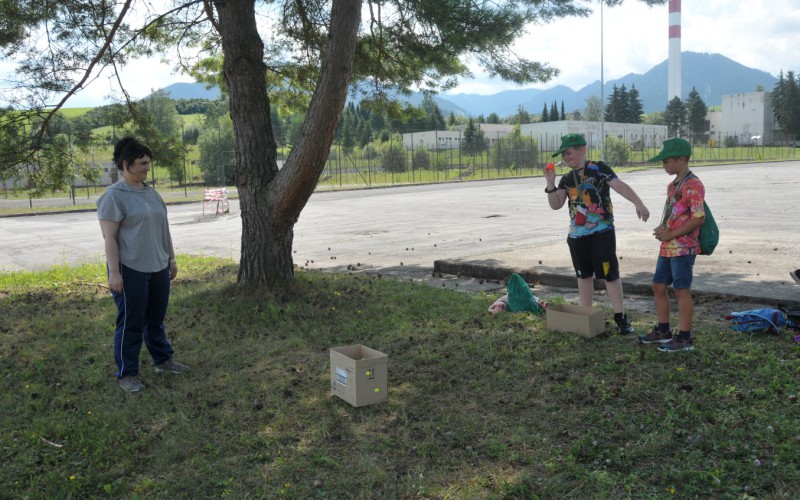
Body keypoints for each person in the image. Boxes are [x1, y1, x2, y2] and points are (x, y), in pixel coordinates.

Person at [97, 137, 189, 392]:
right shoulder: (114, 196)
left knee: (155, 319)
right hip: (130, 270)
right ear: (126, 165)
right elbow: (109, 238)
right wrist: (114, 273)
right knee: (131, 323)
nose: (147, 168)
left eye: (148, 163)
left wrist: (170, 259)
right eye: (142, 163)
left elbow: (164, 229)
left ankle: (163, 361)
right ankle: (127, 374)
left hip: (158, 266)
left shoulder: (151, 193)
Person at [543, 133, 650, 334]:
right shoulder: (566, 179)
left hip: (602, 232)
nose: (565, 158)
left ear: (582, 150)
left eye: (568, 153)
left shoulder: (598, 168)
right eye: (563, 155)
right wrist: (550, 183)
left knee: (610, 274)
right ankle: (587, 315)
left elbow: (619, 186)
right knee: (583, 275)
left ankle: (620, 317)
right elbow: (556, 204)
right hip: (577, 236)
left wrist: (638, 202)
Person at [637, 137, 705, 352]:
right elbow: (674, 214)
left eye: (667, 161)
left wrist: (671, 234)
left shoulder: (693, 185)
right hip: (668, 246)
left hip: (683, 248)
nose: (664, 165)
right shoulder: (673, 185)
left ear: (681, 159)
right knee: (658, 286)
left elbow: (698, 218)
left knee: (681, 290)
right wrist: (663, 229)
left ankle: (685, 338)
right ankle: (663, 331)